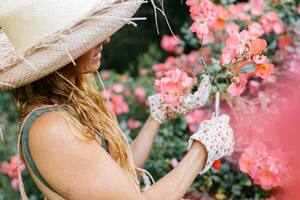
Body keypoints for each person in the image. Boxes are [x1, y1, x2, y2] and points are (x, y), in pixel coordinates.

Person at [0, 0, 234, 199]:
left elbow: (121, 177)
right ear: (58, 56)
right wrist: (202, 149)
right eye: (88, 36)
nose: (105, 39)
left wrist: (156, 117)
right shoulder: (49, 128)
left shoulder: (65, 108)